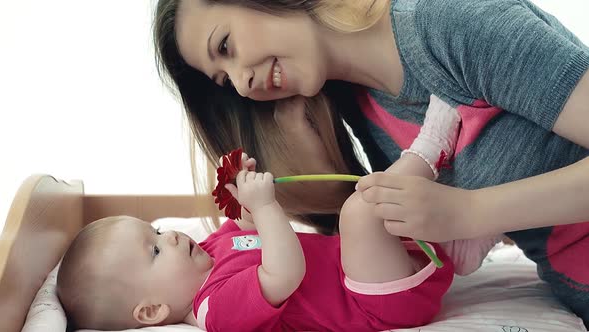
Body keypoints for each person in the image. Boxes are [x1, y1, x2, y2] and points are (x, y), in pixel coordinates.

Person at [152, 0, 589, 324]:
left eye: (225, 45)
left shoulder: (454, 26)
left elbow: (460, 212)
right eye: (225, 81)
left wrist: (471, 213)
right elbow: (369, 245)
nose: (242, 86)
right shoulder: (357, 100)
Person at [56, 161, 454, 331]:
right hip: (372, 304)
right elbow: (285, 273)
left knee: (380, 209)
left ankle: (463, 241)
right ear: (152, 310)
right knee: (362, 208)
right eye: (155, 250)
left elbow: (248, 231)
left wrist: (244, 198)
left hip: (371, 266)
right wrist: (266, 206)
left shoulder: (210, 249)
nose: (171, 236)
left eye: (156, 231)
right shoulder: (217, 310)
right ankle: (433, 145)